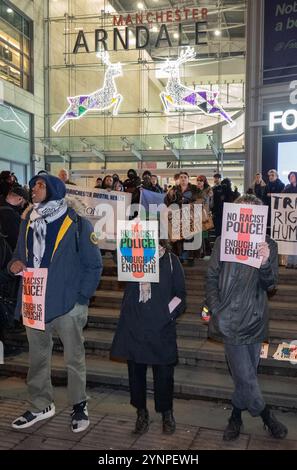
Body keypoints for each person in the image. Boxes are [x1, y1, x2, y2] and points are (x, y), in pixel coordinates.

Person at [9, 174, 102, 432]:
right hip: (34, 299)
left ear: (54, 189)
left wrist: (81, 299)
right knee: (37, 357)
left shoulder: (78, 224)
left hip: (67, 303)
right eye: (32, 186)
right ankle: (41, 404)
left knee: (74, 358)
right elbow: (19, 255)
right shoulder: (28, 221)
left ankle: (79, 405)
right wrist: (14, 264)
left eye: (39, 185)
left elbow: (93, 265)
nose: (33, 189)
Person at [206, 194, 288, 441]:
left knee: (246, 376)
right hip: (228, 320)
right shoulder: (223, 241)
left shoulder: (269, 245)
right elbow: (211, 278)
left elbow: (271, 284)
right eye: (242, 213)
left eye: (251, 214)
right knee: (244, 374)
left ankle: (235, 417)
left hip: (254, 320)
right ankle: (266, 416)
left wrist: (264, 262)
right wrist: (216, 308)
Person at [110, 241, 186, 435]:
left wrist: (167, 313)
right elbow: (119, 270)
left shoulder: (171, 261)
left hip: (161, 328)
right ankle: (141, 413)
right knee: (135, 374)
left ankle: (166, 413)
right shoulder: (133, 257)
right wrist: (116, 246)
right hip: (135, 326)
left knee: (164, 375)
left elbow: (180, 295)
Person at [282, 172, 297, 269]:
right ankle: (290, 262)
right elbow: (281, 196)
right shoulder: (287, 188)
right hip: (290, 218)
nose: (291, 178)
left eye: (292, 176)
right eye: (289, 176)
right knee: (291, 240)